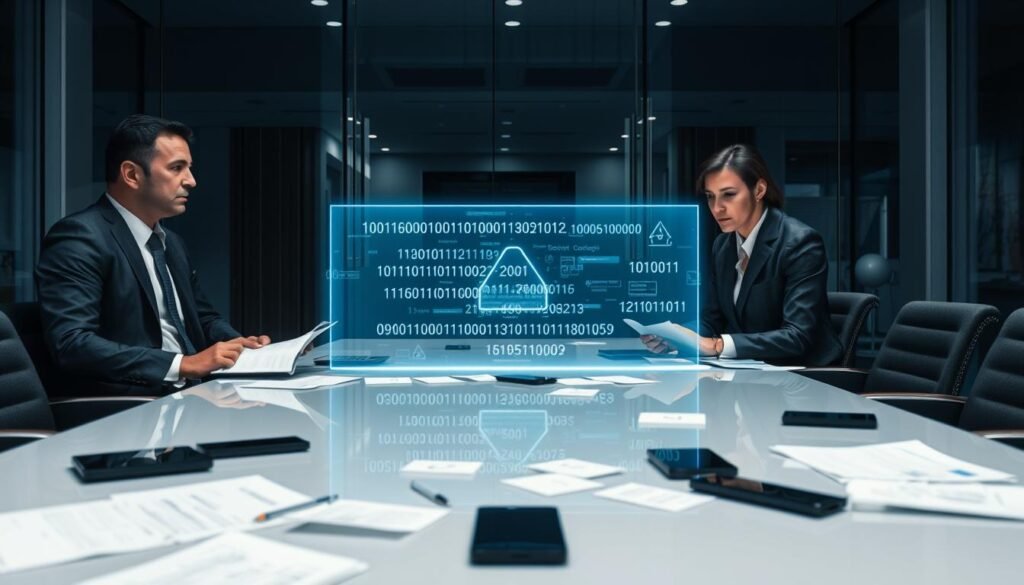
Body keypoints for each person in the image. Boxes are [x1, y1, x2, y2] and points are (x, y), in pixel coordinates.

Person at [36, 114, 271, 396]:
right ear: (132, 175)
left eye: (189, 168)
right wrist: (182, 364)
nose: (191, 181)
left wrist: (239, 345)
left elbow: (201, 318)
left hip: (192, 396)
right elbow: (72, 344)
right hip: (127, 404)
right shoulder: (79, 237)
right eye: (177, 168)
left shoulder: (171, 242)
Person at [642, 144, 842, 366]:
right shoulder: (723, 245)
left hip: (806, 378)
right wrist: (679, 337)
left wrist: (716, 345)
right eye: (710, 197)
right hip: (754, 372)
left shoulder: (800, 243)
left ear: (759, 190)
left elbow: (797, 336)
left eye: (729, 195)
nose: (717, 208)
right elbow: (713, 319)